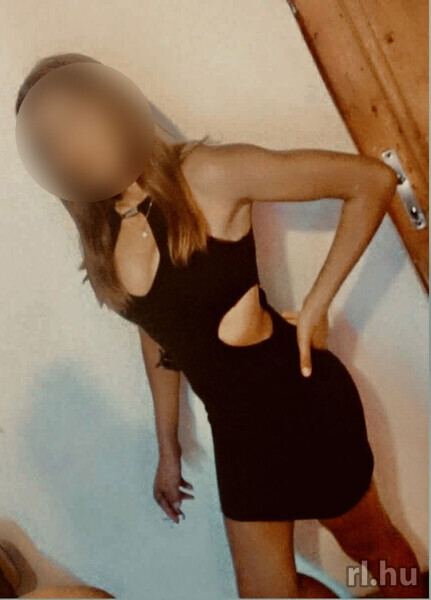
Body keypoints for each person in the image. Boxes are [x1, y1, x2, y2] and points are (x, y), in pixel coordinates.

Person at [13, 52, 426, 599]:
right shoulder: (107, 236)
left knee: (376, 555)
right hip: (238, 435)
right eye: (52, 140)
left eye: (76, 120)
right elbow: (158, 335)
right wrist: (167, 446)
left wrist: (317, 303)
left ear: (112, 106)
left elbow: (370, 181)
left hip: (302, 409)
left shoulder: (205, 173)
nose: (71, 143)